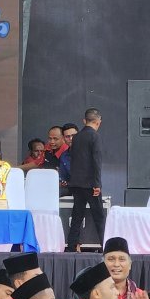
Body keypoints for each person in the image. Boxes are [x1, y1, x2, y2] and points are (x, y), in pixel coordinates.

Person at [66, 108, 105, 252]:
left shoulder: (76, 137)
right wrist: (97, 184)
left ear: (85, 121)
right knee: (99, 216)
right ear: (97, 122)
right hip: (90, 184)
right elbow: (96, 161)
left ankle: (71, 246)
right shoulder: (94, 136)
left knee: (77, 216)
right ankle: (105, 246)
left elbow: (75, 160)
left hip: (76, 183)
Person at [58, 122, 79, 191]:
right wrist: (62, 183)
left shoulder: (88, 152)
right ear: (63, 138)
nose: (71, 138)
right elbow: (63, 178)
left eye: (73, 135)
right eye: (67, 136)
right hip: (70, 189)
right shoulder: (63, 156)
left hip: (87, 189)